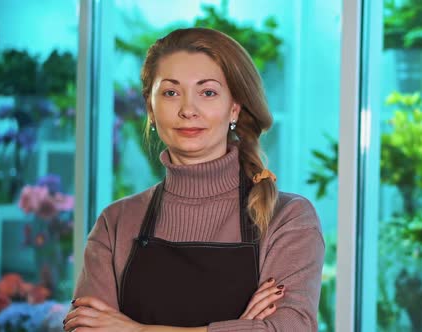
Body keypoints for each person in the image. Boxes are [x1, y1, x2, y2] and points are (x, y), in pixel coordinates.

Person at [63, 27, 324, 331]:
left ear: (234, 108)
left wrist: (138, 329)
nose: (188, 110)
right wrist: (240, 326)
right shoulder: (117, 222)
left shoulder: (287, 218)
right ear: (151, 107)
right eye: (171, 93)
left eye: (208, 92)